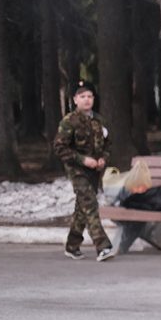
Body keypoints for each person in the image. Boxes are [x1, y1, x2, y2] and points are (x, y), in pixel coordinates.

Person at [53, 80, 115, 262]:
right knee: (90, 204)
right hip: (77, 170)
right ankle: (103, 246)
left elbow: (108, 144)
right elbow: (59, 147)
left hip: (94, 171)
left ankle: (72, 246)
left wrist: (104, 158)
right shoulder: (69, 121)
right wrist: (83, 160)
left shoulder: (99, 120)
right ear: (75, 99)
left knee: (82, 207)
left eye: (89, 96)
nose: (86, 100)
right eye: (82, 96)